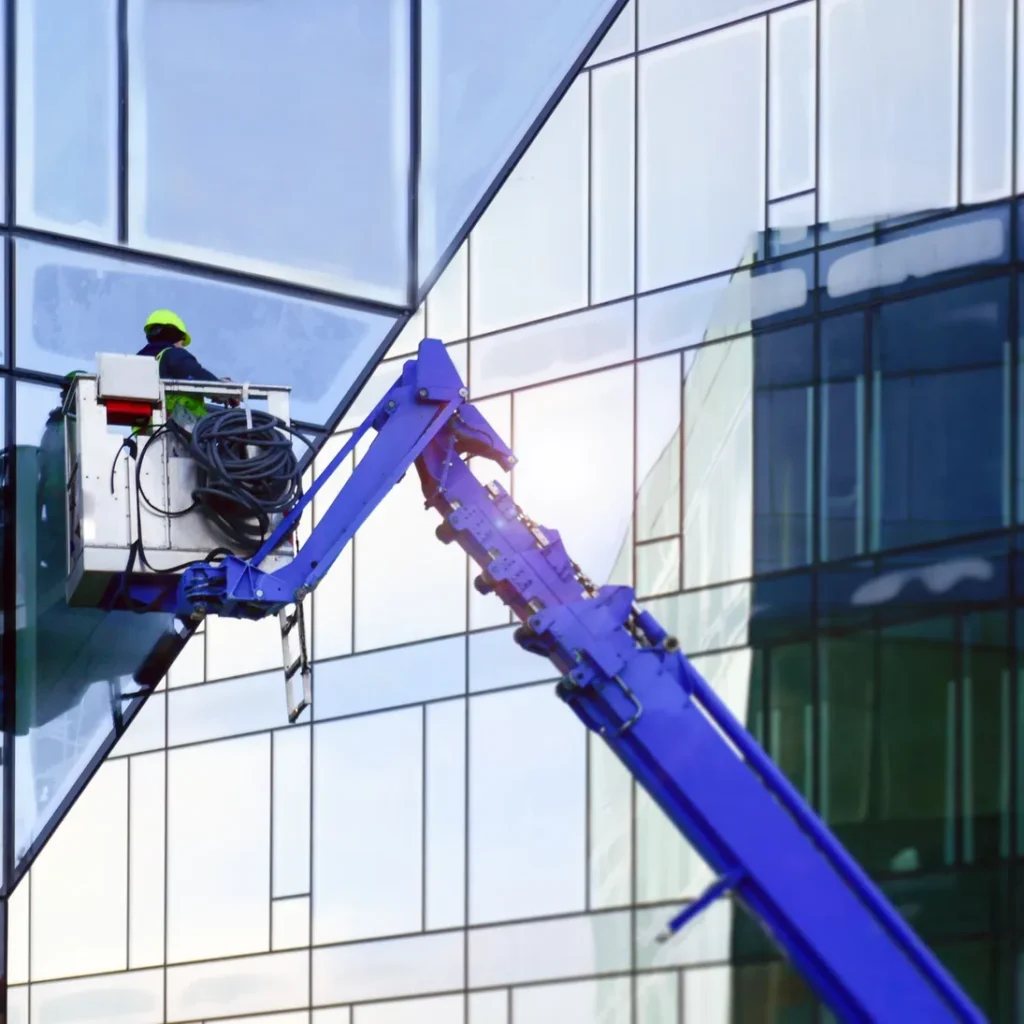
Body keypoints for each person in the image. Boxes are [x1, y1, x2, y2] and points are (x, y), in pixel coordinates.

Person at [137, 309, 236, 432]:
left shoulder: (141, 362)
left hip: (148, 430)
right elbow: (197, 375)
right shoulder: (172, 354)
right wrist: (226, 390)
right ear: (172, 334)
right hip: (178, 427)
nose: (182, 347)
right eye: (182, 342)